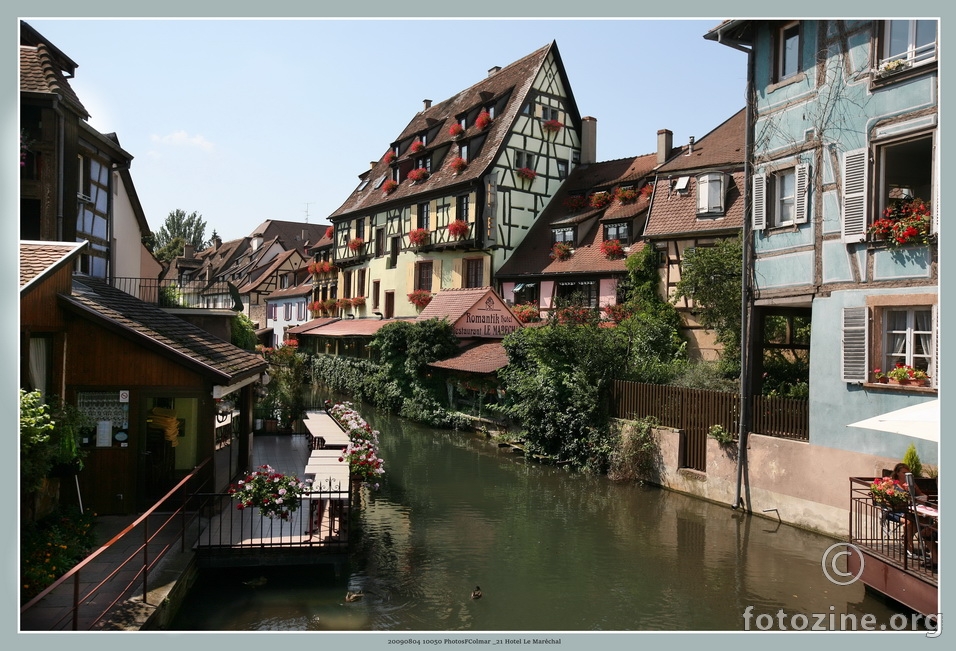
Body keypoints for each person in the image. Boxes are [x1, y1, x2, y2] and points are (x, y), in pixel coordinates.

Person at [890, 463, 938, 566]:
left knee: (924, 521)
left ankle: (911, 540)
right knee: (909, 522)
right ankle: (909, 549)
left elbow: (921, 495)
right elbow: (891, 502)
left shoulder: (911, 484)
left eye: (908, 473)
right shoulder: (893, 484)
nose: (907, 475)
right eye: (904, 472)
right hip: (897, 511)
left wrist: (921, 497)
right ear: (897, 473)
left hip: (911, 510)